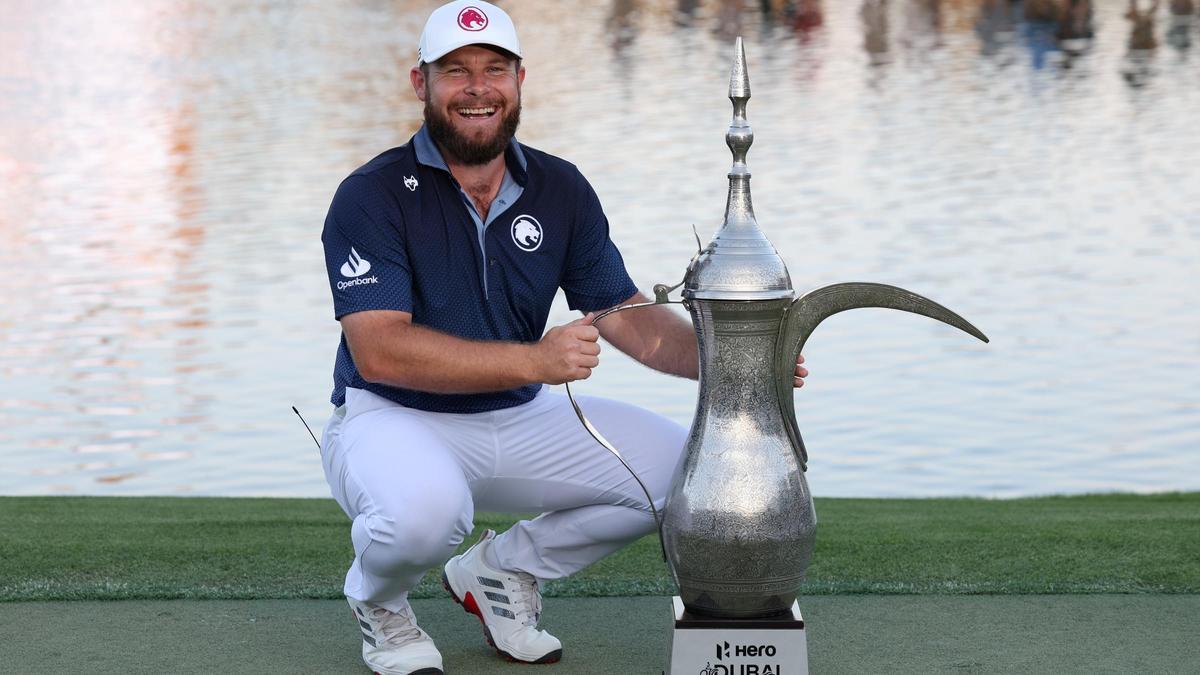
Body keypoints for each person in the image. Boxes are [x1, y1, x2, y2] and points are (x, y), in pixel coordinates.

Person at [319, 2, 807, 673]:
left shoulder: (559, 187)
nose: (478, 88)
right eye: (455, 71)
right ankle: (380, 602)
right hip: (391, 416)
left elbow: (624, 313)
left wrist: (737, 364)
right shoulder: (371, 194)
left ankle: (501, 570)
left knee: (688, 476)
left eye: (495, 70)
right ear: (420, 83)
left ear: (520, 81)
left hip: (519, 414)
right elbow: (380, 350)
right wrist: (536, 359)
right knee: (427, 515)